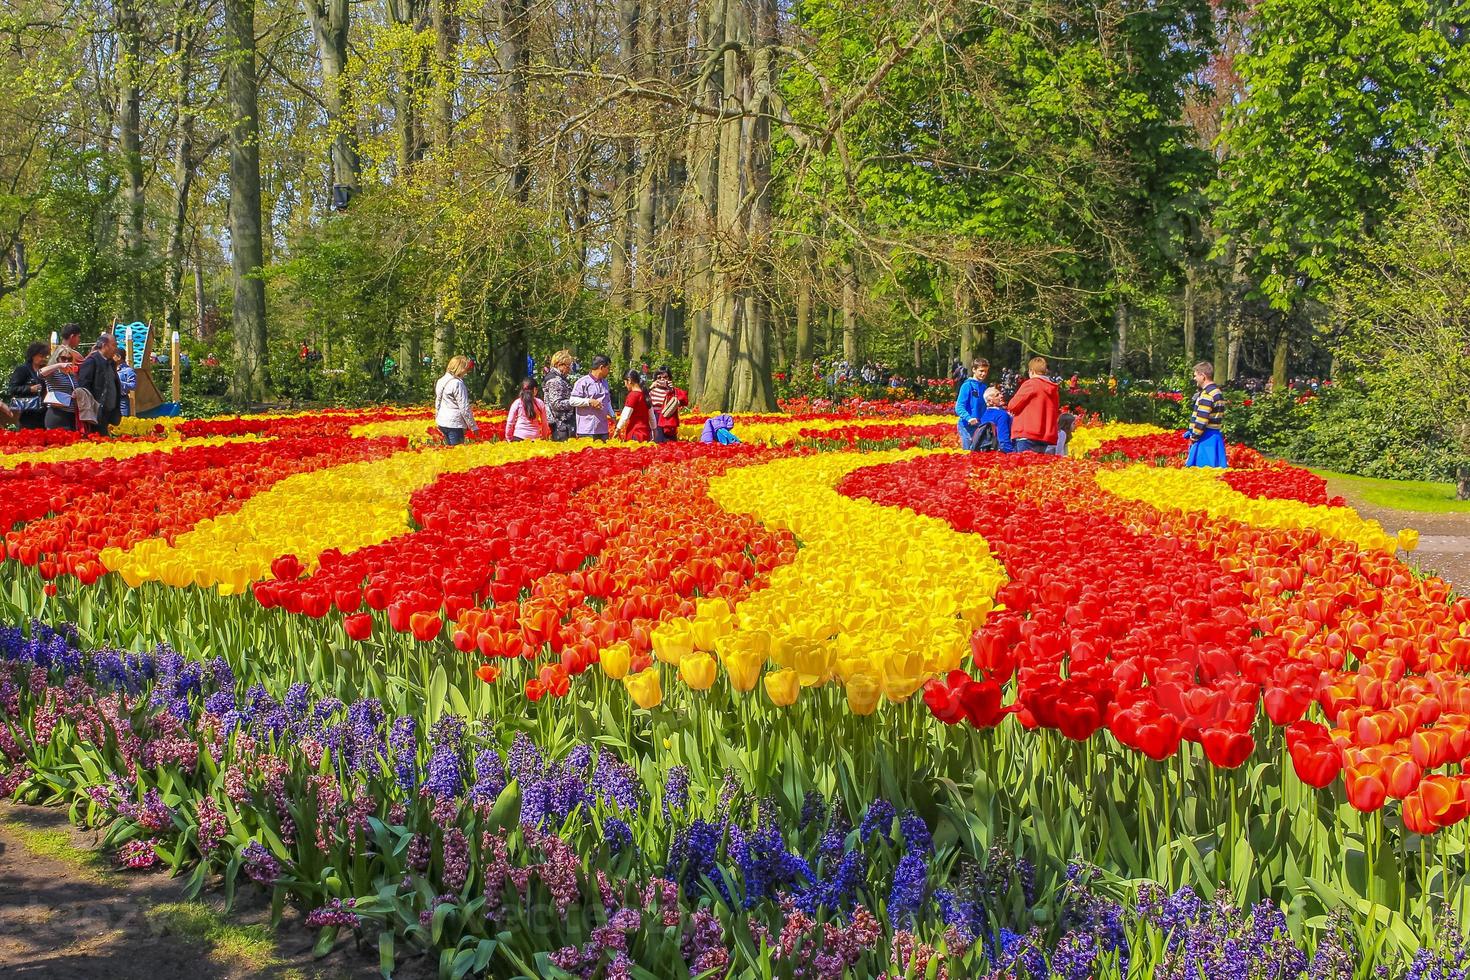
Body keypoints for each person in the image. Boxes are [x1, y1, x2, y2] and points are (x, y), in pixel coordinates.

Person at [1007, 355, 1060, 453]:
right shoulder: (1053, 389)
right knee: (1037, 467)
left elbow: (1012, 406)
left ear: (1032, 371)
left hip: (1027, 433)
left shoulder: (1031, 384)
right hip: (1045, 436)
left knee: (1023, 467)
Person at [76, 333, 121, 435]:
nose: (116, 348)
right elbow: (83, 387)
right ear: (105, 345)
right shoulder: (92, 361)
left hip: (110, 411)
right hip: (96, 413)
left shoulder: (111, 362)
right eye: (114, 345)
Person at [1185, 361, 1227, 468]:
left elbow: (1202, 419)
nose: (1194, 379)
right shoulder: (1217, 392)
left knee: (1203, 472)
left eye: (1195, 375)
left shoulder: (1207, 394)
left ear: (1203, 376)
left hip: (1205, 439)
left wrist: (1194, 436)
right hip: (1215, 437)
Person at [434, 355, 478, 445]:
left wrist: (437, 417)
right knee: (457, 454)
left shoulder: (440, 380)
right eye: (465, 369)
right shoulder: (457, 383)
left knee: (449, 452)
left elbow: (438, 401)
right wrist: (473, 426)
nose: (466, 372)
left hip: (442, 421)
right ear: (460, 368)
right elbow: (464, 407)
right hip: (454, 423)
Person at [570, 355, 615, 440]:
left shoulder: (605, 383)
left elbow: (607, 401)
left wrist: (612, 415)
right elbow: (572, 400)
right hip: (587, 430)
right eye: (608, 368)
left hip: (603, 429)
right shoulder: (582, 382)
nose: (609, 371)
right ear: (601, 367)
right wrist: (589, 401)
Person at [39, 343, 82, 431]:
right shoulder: (53, 373)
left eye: (69, 359)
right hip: (57, 413)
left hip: (72, 414)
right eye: (63, 358)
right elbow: (40, 373)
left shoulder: (72, 375)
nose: (66, 361)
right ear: (57, 359)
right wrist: (59, 365)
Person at [8, 342, 50, 429]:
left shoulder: (45, 369)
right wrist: (29, 389)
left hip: (44, 412)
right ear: (33, 355)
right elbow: (12, 389)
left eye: (45, 356)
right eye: (41, 356)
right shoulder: (22, 370)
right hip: (28, 413)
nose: (43, 359)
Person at [953, 358, 991, 449]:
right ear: (974, 370)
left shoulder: (984, 387)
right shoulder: (967, 386)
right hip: (967, 426)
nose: (984, 374)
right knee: (969, 453)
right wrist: (968, 418)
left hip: (980, 426)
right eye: (981, 371)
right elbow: (959, 407)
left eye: (986, 371)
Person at [646, 366, 688, 443]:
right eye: (659, 377)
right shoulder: (652, 391)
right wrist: (650, 387)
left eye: (665, 377)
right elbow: (642, 401)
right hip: (655, 419)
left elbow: (684, 400)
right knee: (657, 443)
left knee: (669, 444)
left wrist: (671, 390)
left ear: (669, 378)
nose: (662, 379)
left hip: (668, 420)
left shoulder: (673, 391)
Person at [543, 350, 576, 441]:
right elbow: (556, 403)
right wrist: (576, 401)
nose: (570, 369)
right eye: (568, 366)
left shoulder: (561, 378)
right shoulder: (554, 380)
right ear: (559, 364)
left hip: (564, 423)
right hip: (560, 424)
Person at [613, 369, 653, 441]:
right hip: (646, 433)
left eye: (625, 382)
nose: (625, 385)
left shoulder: (633, 395)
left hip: (635, 433)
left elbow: (625, 415)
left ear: (629, 380)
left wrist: (617, 429)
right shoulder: (645, 395)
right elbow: (652, 416)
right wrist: (655, 430)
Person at [975, 386, 1014, 452]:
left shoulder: (985, 415)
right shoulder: (1001, 414)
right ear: (990, 401)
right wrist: (1011, 453)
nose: (1001, 396)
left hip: (988, 450)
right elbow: (1003, 439)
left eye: (1000, 394)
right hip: (1002, 451)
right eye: (997, 395)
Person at [114, 348, 137, 418]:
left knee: (123, 422)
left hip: (122, 401)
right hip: (110, 400)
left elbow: (133, 385)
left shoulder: (128, 370)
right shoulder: (110, 368)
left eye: (113, 355)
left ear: (119, 357)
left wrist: (119, 383)